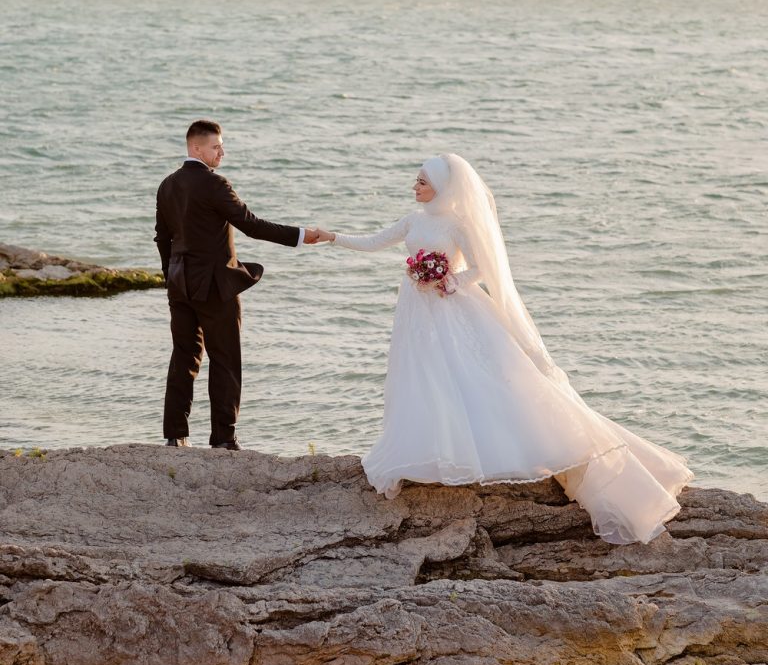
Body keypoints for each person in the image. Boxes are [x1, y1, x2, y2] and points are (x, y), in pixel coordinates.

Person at [320, 153, 694, 545]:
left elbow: (485, 266)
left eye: (421, 182)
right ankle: (429, 450)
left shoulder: (458, 225)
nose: (414, 187)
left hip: (451, 308)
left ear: (442, 187)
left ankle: (482, 450)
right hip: (417, 311)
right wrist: (331, 237)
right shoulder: (414, 221)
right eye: (416, 181)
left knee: (472, 377)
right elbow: (375, 241)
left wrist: (453, 281)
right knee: (423, 376)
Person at [155, 120, 324, 449]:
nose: (222, 152)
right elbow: (251, 225)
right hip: (215, 286)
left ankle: (176, 436)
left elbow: (163, 238)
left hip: (180, 285)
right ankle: (223, 439)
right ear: (196, 149)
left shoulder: (167, 184)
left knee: (183, 358)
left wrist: (170, 279)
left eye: (221, 146)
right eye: (216, 146)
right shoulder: (215, 184)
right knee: (226, 360)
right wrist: (301, 236)